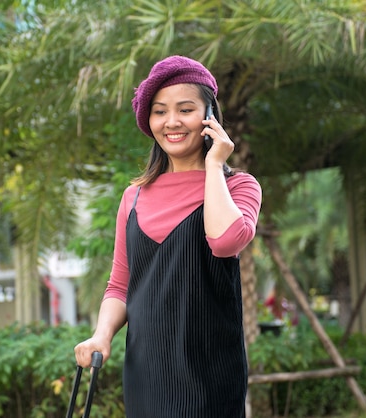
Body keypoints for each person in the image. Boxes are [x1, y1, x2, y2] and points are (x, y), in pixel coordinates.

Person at [74, 55, 262, 417]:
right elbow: (120, 284)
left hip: (209, 373)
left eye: (185, 109)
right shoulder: (134, 196)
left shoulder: (238, 186)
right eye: (160, 111)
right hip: (146, 372)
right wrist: (102, 335)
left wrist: (212, 164)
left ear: (210, 116)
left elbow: (225, 241)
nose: (171, 122)